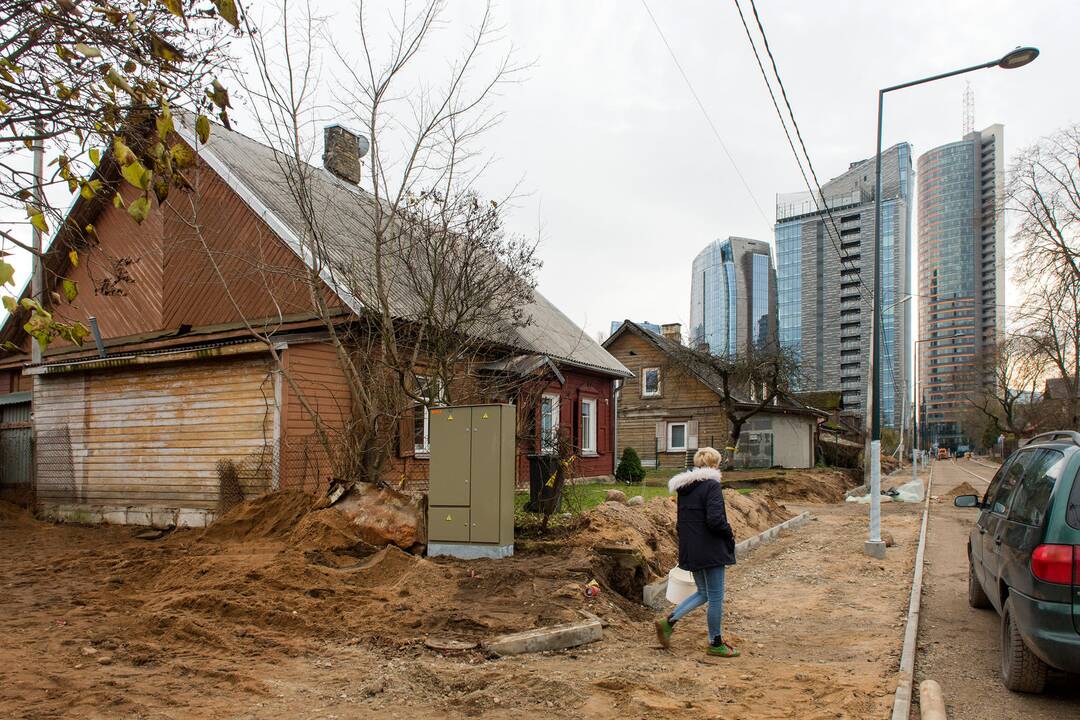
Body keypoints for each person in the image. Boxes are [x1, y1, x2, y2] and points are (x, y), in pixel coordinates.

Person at [654, 446, 739, 657]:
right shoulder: (712, 486)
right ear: (715, 464)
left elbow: (681, 524)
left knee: (703, 593)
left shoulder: (685, 489)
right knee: (716, 597)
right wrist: (729, 534)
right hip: (711, 549)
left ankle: (669, 622)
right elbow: (716, 520)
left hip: (692, 549)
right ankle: (715, 642)